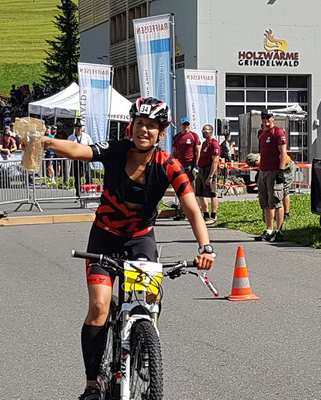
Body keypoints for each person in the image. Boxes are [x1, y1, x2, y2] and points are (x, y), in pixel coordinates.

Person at [33, 97, 215, 400]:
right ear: (131, 126)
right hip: (104, 236)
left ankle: (145, 344)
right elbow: (81, 151)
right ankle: (92, 384)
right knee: (100, 307)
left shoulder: (169, 165)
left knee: (148, 299)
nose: (144, 130)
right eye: (139, 123)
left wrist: (206, 247)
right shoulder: (116, 151)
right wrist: (46, 142)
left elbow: (193, 208)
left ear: (161, 132)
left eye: (152, 126)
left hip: (140, 237)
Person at [255, 110, 288, 242]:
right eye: (263, 118)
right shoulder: (263, 134)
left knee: (276, 201)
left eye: (268, 117)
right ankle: (269, 229)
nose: (265, 120)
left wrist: (281, 170)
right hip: (263, 171)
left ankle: (279, 230)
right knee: (266, 202)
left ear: (273, 118)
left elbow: (283, 152)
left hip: (274, 171)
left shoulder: (278, 133)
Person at [172, 117, 201, 219]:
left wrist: (197, 165)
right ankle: (182, 211)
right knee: (180, 187)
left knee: (190, 187)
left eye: (187, 125)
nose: (186, 127)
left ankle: (195, 211)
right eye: (184, 125)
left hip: (190, 164)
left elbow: (198, 151)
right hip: (180, 164)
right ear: (181, 125)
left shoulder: (193, 136)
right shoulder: (177, 137)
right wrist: (173, 163)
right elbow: (174, 152)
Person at [195, 124, 220, 224]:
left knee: (212, 193)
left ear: (211, 132)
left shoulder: (214, 144)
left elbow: (215, 160)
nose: (204, 133)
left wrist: (210, 176)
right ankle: (206, 215)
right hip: (201, 169)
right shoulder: (205, 143)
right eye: (203, 132)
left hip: (209, 170)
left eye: (206, 132)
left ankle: (213, 216)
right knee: (200, 193)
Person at [68, 122, 93, 196]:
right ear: (75, 128)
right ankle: (78, 193)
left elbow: (91, 145)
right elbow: (68, 147)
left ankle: (89, 192)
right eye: (77, 128)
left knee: (88, 175)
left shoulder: (86, 136)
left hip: (85, 158)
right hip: (76, 159)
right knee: (77, 176)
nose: (79, 129)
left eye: (80, 128)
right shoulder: (71, 137)